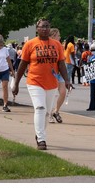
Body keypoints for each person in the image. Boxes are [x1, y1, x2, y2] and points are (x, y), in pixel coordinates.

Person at [12, 19, 70, 150]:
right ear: (37, 28)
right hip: (34, 82)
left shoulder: (57, 45)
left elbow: (61, 63)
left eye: (47, 27)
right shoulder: (30, 44)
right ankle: (41, 139)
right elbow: (22, 65)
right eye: (42, 27)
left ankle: (39, 134)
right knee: (40, 108)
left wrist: (67, 80)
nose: (45, 29)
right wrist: (16, 83)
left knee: (47, 113)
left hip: (51, 83)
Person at [48, 28, 66, 124]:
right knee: (51, 94)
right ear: (53, 36)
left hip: (60, 72)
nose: (60, 37)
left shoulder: (60, 46)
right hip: (51, 72)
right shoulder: (48, 46)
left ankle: (56, 111)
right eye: (58, 35)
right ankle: (49, 114)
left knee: (63, 92)